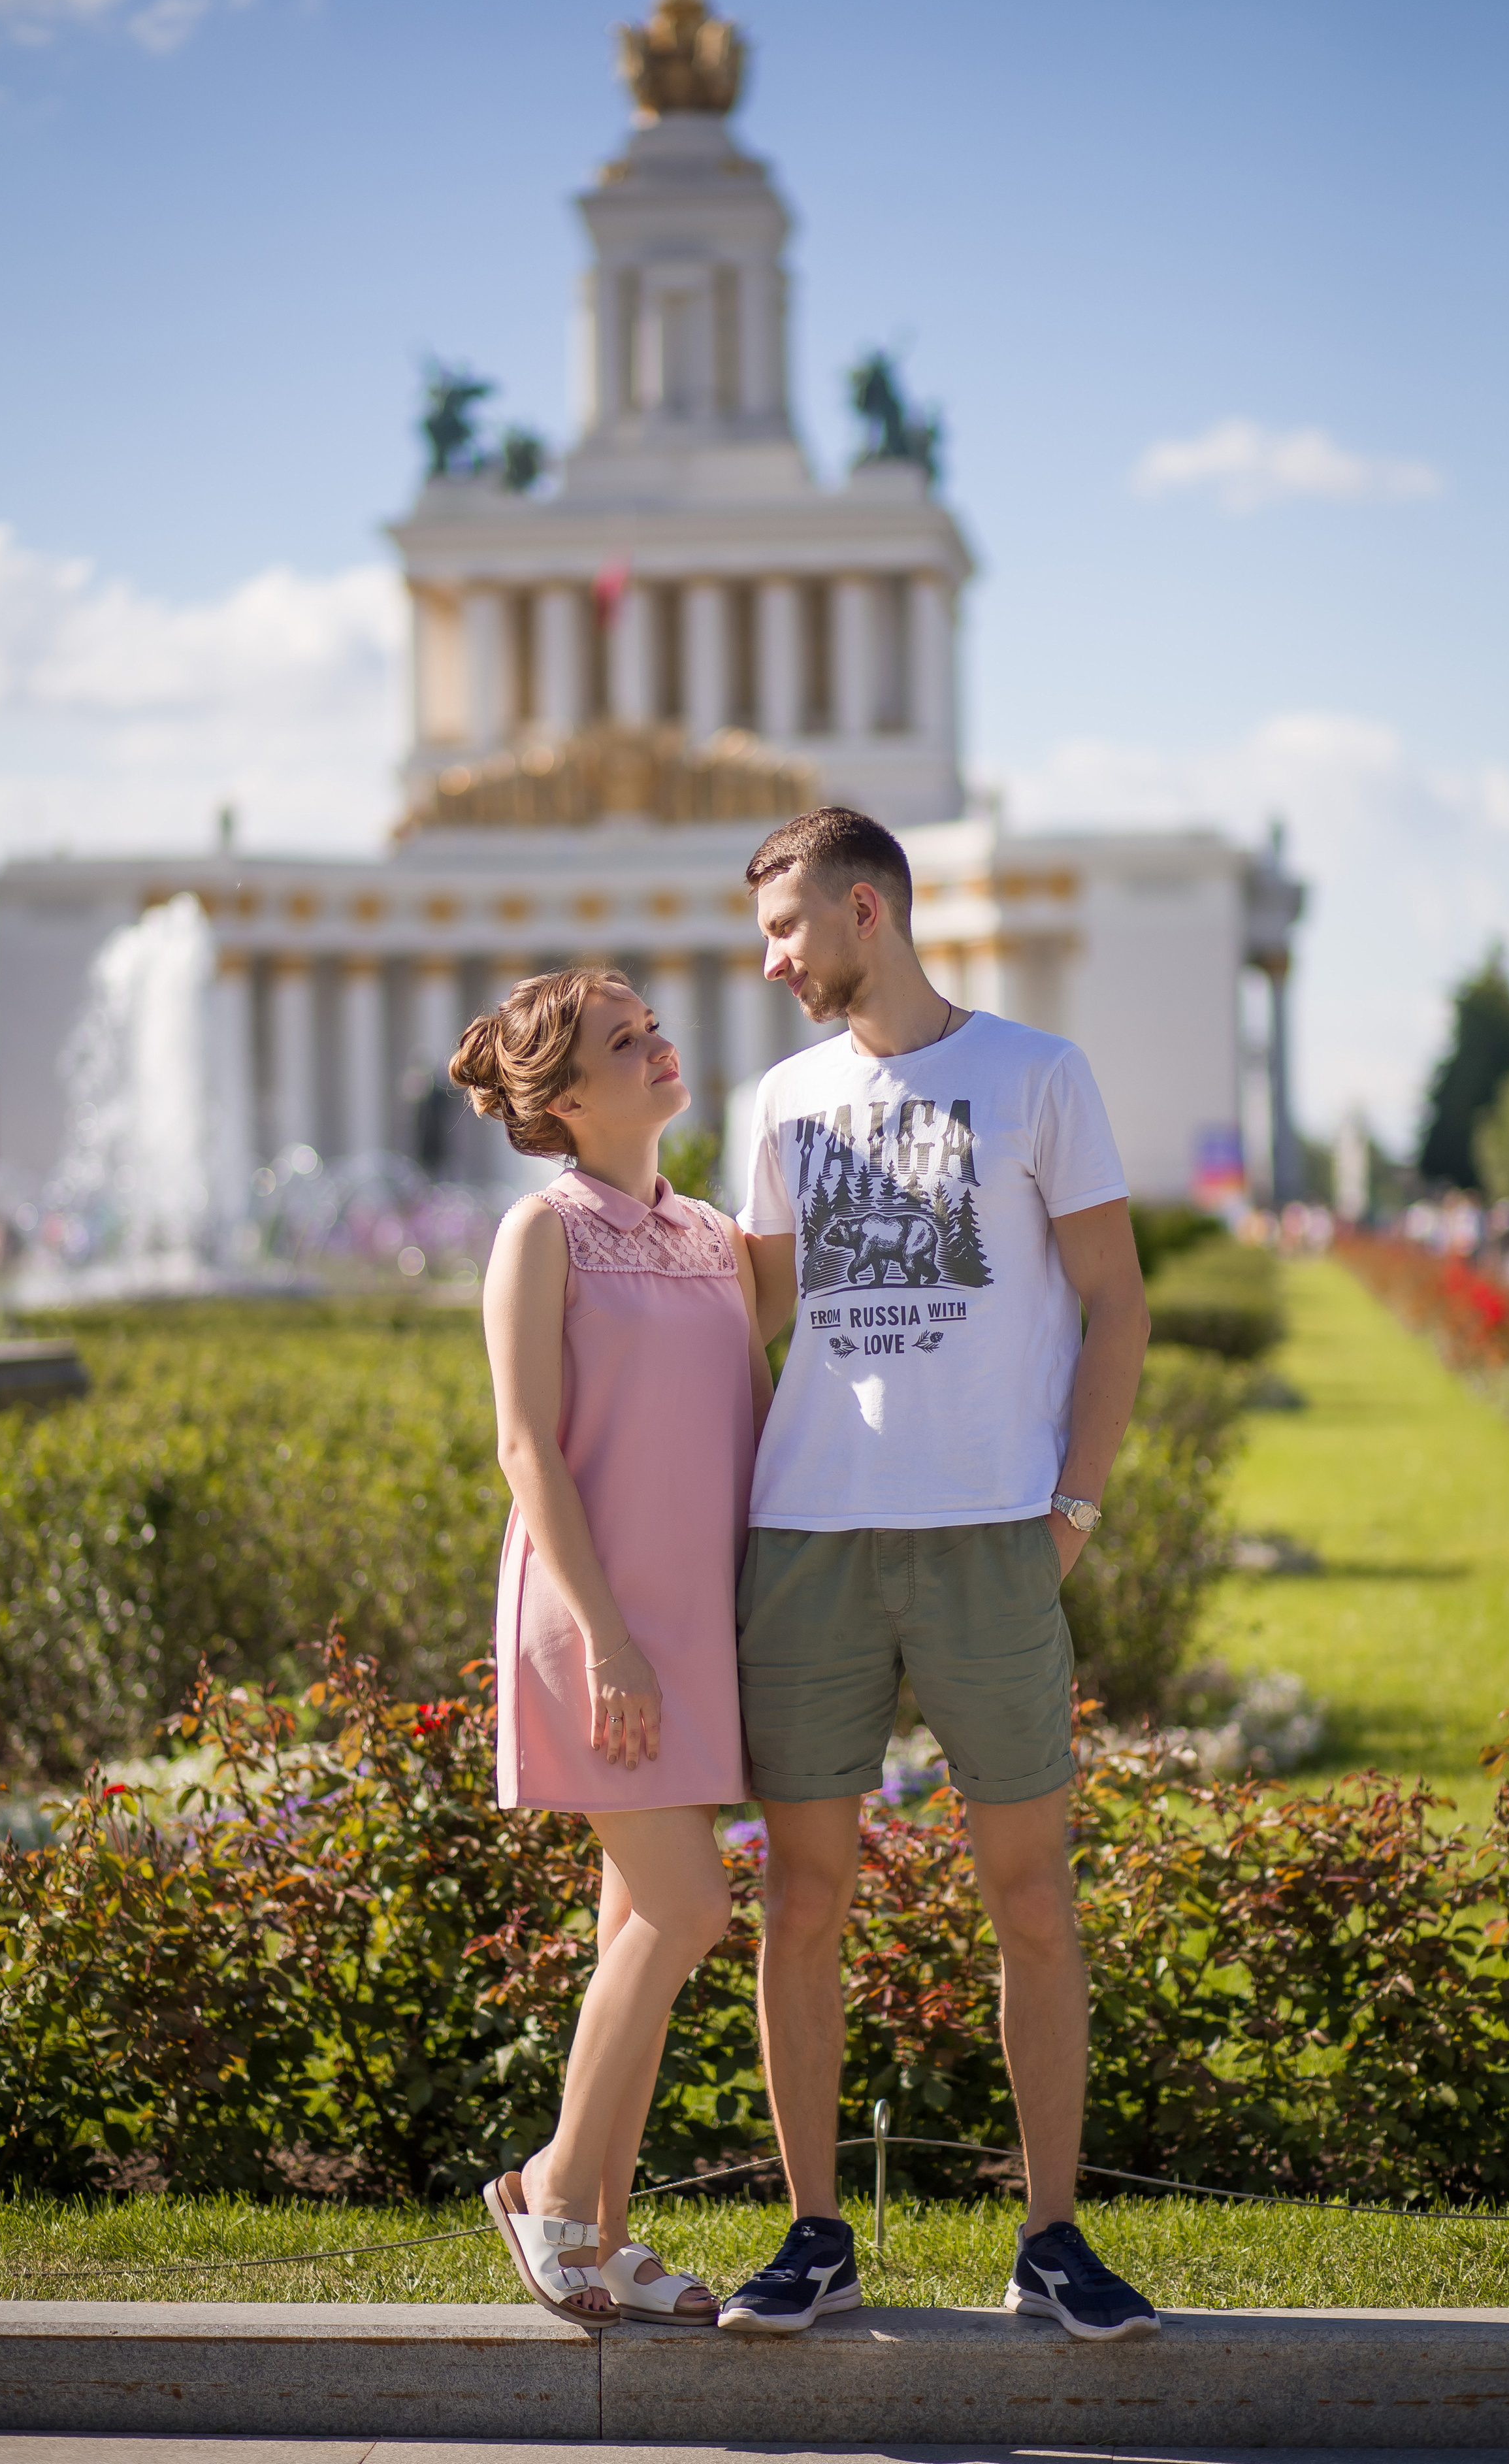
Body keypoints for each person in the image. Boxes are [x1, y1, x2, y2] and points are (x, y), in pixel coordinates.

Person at [716, 808, 1160, 2342]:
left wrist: (1073, 1512)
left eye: (783, 931)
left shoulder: (1037, 1074)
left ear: (863, 910)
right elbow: (746, 1326)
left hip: (990, 1538)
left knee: (1028, 1898)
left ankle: (1051, 2237)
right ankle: (812, 2233)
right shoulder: (775, 1098)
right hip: (810, 1541)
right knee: (803, 1897)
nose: (770, 963)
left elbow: (1115, 1303)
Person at [455, 966, 773, 2326]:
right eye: (622, 1040)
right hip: (592, 1630)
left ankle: (609, 2238)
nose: (657, 1047)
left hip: (695, 1632)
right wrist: (610, 1643)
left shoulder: (712, 1235)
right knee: (691, 1912)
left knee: (636, 1932)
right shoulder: (541, 1232)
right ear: (568, 1097)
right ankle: (550, 2189)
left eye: (652, 1027)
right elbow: (527, 1444)